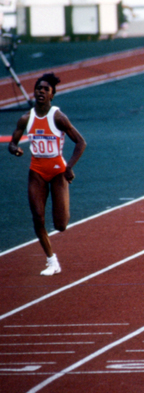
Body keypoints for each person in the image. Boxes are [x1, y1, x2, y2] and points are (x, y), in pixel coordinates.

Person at [8, 73, 87, 276]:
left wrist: (69, 167)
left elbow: (80, 142)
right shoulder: (26, 118)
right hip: (36, 171)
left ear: (52, 95)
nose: (41, 92)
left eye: (46, 89)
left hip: (58, 171)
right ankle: (52, 261)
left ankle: (54, 253)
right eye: (38, 88)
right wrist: (14, 148)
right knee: (38, 218)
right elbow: (13, 142)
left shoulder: (58, 117)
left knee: (60, 225)